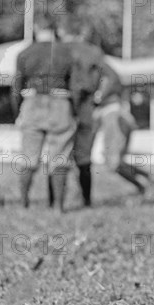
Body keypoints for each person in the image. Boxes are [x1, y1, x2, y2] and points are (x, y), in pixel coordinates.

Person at [12, 15, 77, 211]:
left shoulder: (25, 53)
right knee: (60, 157)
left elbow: (15, 87)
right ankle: (58, 206)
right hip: (60, 102)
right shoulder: (67, 53)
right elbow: (75, 85)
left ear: (36, 29)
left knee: (29, 157)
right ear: (54, 30)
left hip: (32, 102)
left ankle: (23, 203)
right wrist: (73, 110)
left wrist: (17, 111)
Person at [93, 62, 154, 200]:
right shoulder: (101, 71)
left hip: (115, 117)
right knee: (113, 163)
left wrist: (97, 97)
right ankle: (147, 180)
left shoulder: (104, 70)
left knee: (113, 163)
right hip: (113, 117)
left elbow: (110, 80)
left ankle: (145, 183)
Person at [59, 18, 104, 208]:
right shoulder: (95, 52)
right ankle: (86, 200)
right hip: (87, 106)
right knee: (84, 158)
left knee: (59, 154)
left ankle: (56, 202)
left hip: (66, 105)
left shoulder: (62, 49)